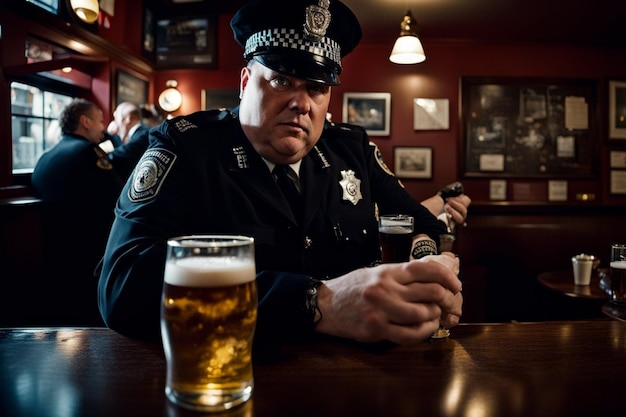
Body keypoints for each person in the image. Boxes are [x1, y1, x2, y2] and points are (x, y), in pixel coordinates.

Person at [97, 0, 470, 345]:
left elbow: (425, 223)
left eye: (317, 87)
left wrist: (427, 270)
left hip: (353, 379)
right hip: (234, 368)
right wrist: (316, 302)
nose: (301, 103)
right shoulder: (186, 148)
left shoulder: (351, 150)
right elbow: (123, 285)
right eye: (281, 81)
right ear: (245, 83)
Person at [31, 98, 125, 325]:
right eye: (100, 121)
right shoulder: (88, 152)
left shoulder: (45, 156)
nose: (103, 128)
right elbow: (118, 199)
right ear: (84, 121)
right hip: (87, 255)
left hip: (50, 254)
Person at [107, 101, 151, 179]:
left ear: (129, 119)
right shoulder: (137, 133)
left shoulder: (143, 134)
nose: (115, 123)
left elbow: (119, 156)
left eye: (116, 118)